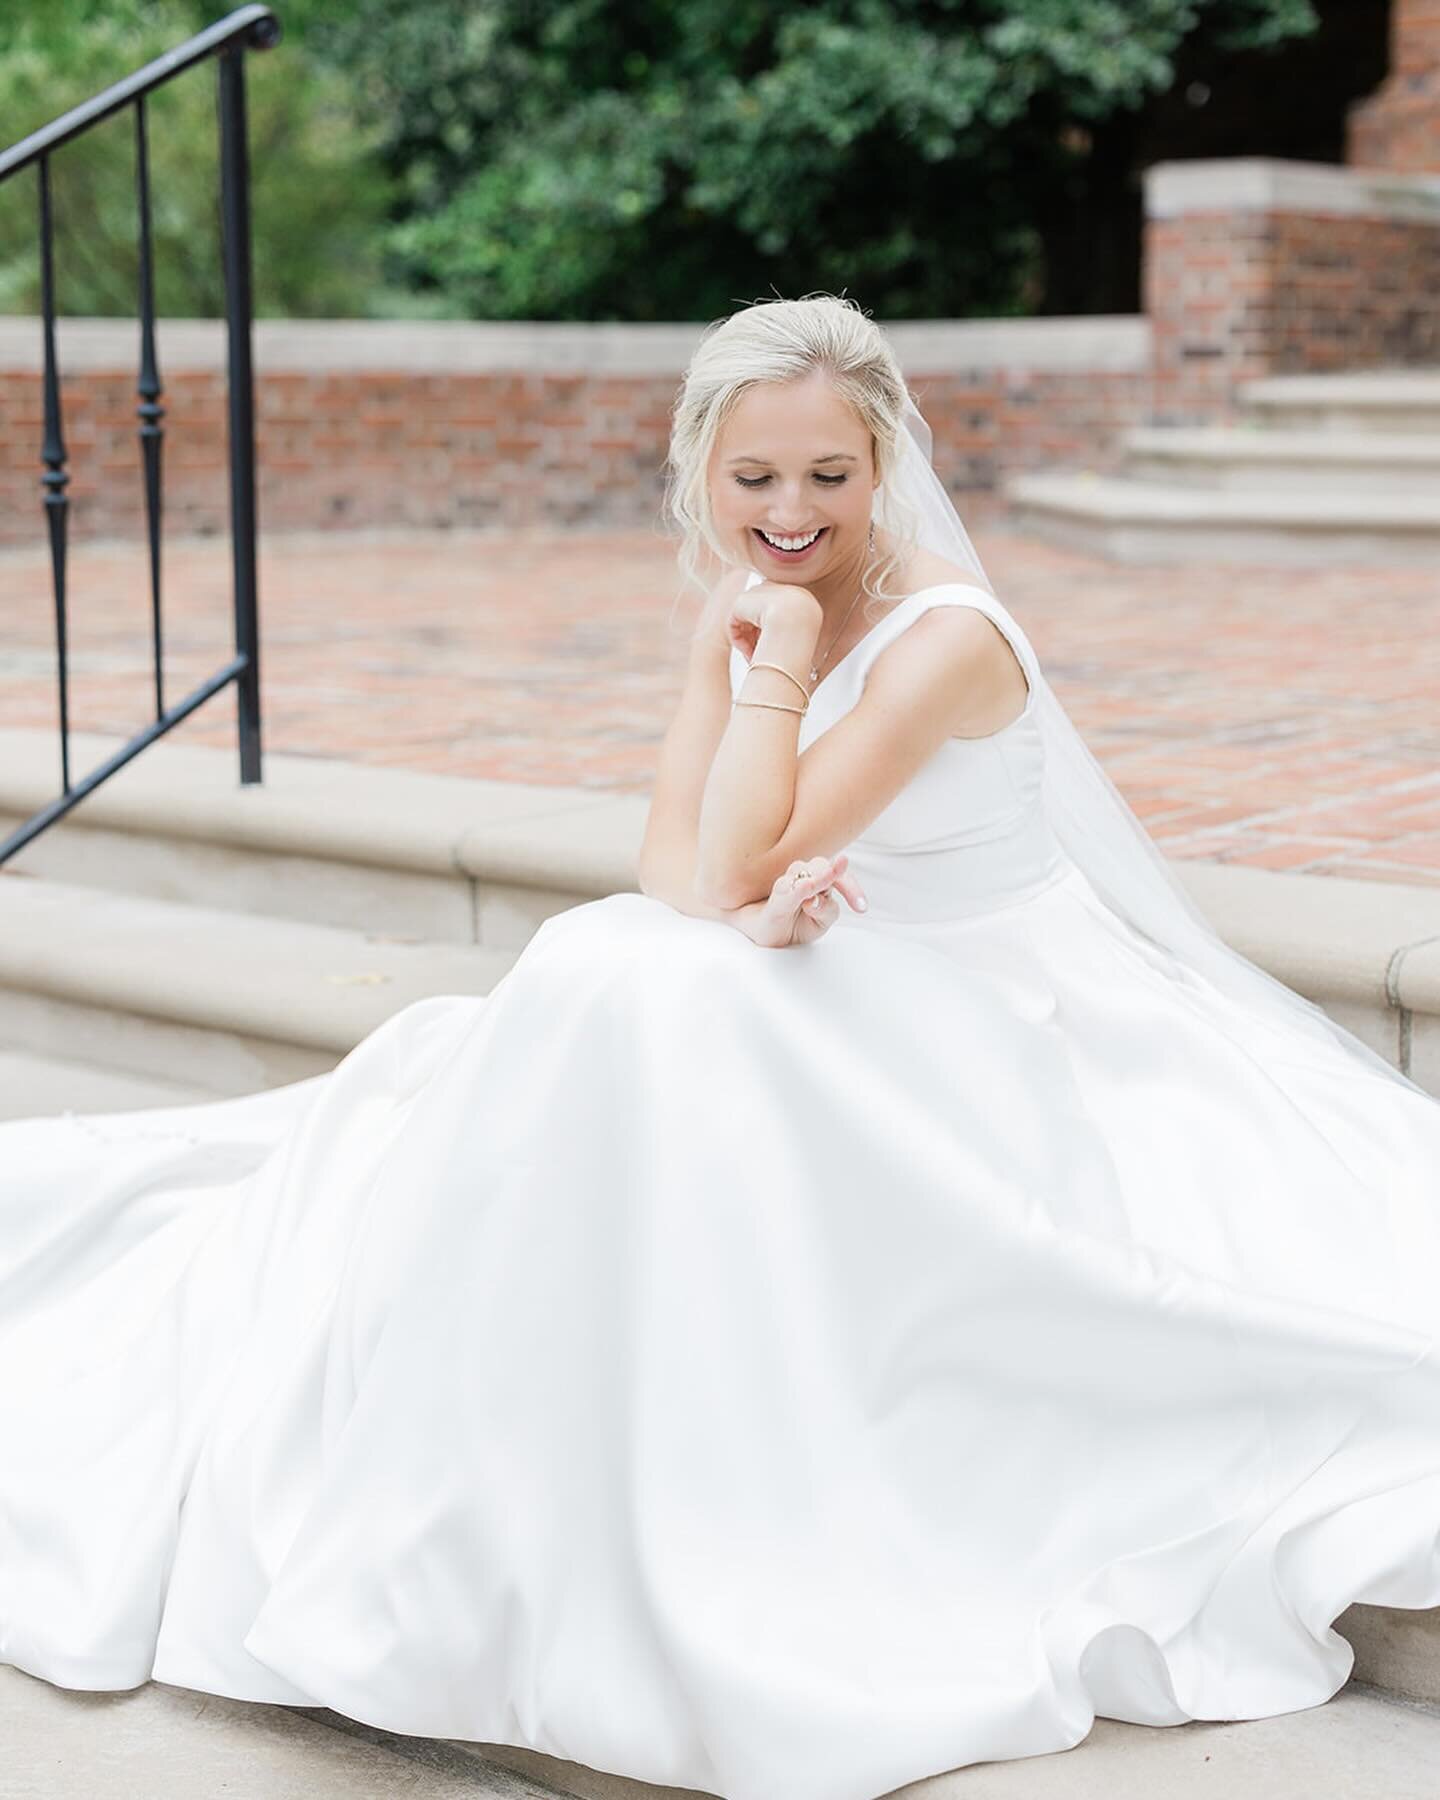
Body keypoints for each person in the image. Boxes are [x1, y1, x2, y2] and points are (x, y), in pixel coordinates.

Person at [1, 293, 1437, 1800]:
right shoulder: (748, 603)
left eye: (829, 474)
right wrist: (748, 821)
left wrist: (767, 721)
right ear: (703, 470)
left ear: (884, 462)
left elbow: (741, 858)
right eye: (755, 480)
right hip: (844, 965)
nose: (792, 511)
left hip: (1007, 1004)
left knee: (637, 987)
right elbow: (678, 874)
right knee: (621, 968)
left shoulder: (942, 637)